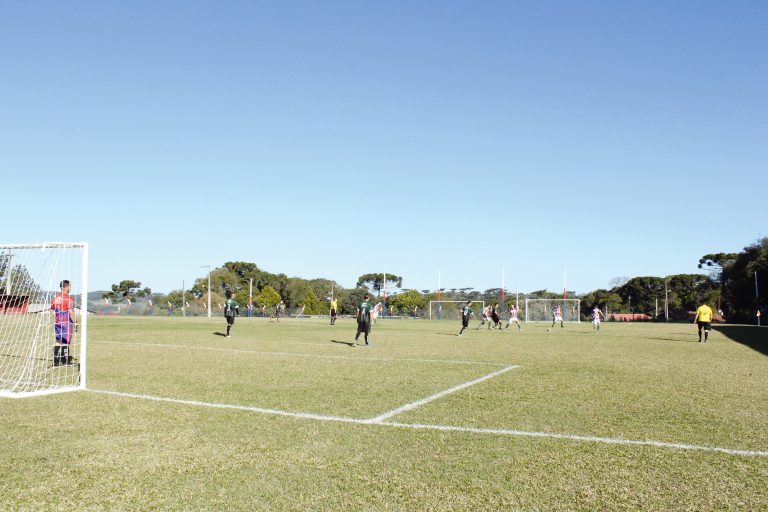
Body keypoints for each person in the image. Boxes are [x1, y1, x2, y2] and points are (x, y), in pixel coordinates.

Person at [51, 280, 76, 366]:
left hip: (57, 323)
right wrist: (75, 322)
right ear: (66, 287)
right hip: (66, 323)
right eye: (70, 286)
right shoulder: (69, 299)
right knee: (65, 342)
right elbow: (71, 312)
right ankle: (65, 361)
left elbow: (52, 311)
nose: (70, 288)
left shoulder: (55, 298)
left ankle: (56, 361)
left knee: (58, 341)